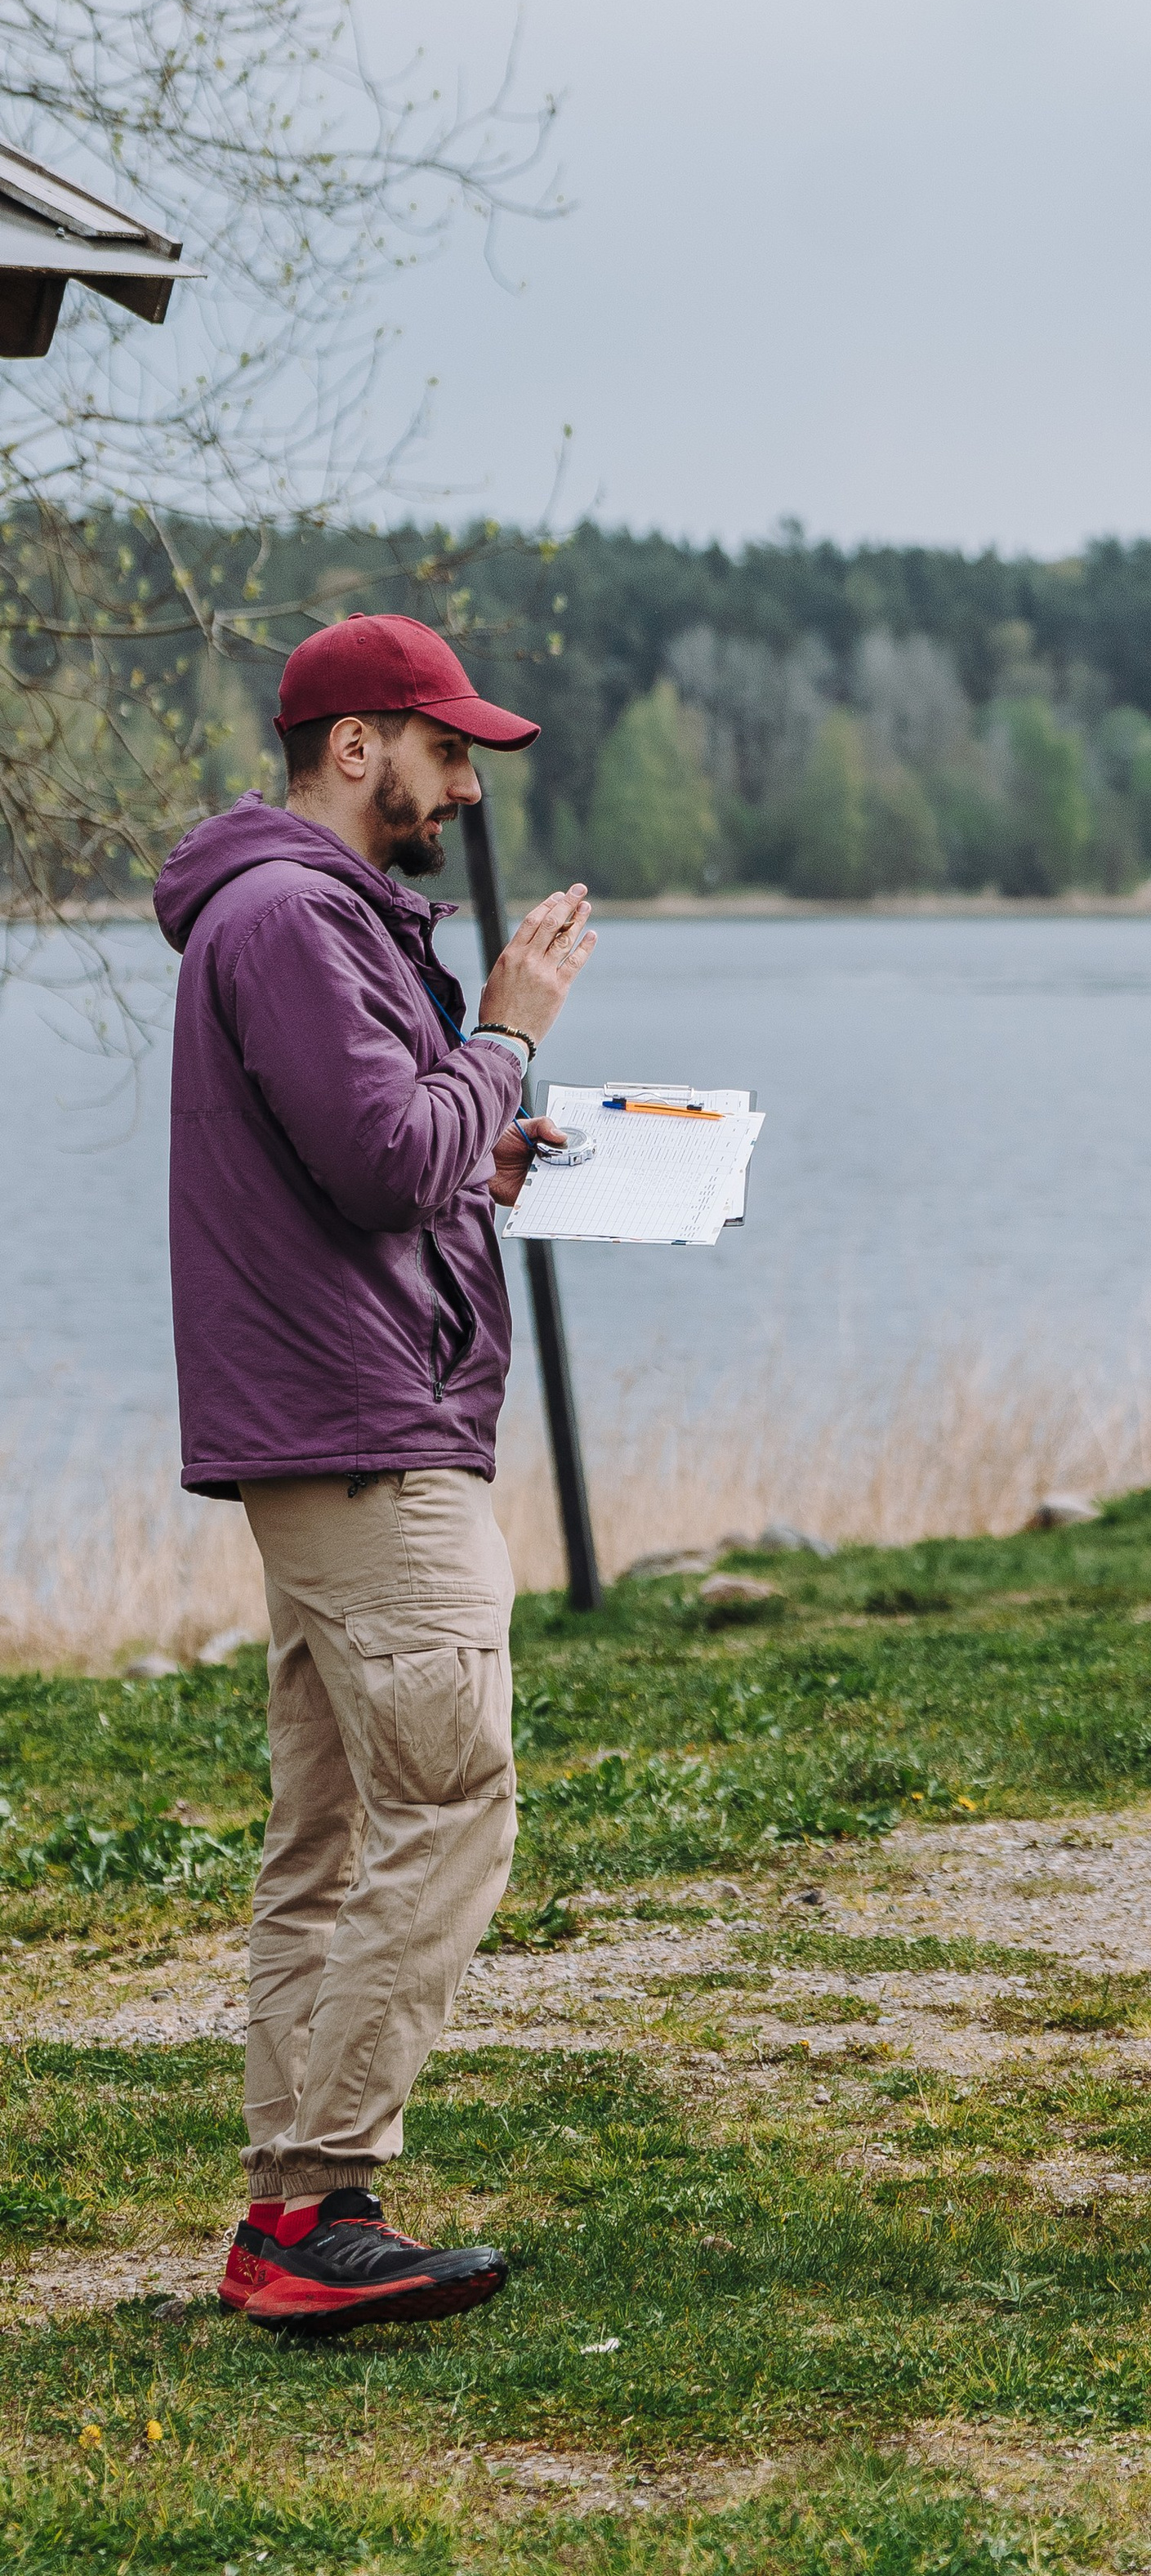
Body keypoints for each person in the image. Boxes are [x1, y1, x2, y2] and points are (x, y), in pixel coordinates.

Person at [153, 613, 596, 2337]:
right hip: (360, 1432)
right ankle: (323, 2190)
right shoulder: (287, 916)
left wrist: (481, 1133)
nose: (463, 781)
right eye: (443, 745)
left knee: (333, 1831)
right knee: (448, 1806)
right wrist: (503, 1034)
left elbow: (389, 1156)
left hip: (337, 1424)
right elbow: (378, 1151)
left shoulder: (293, 916)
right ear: (357, 745)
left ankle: (293, 2206)